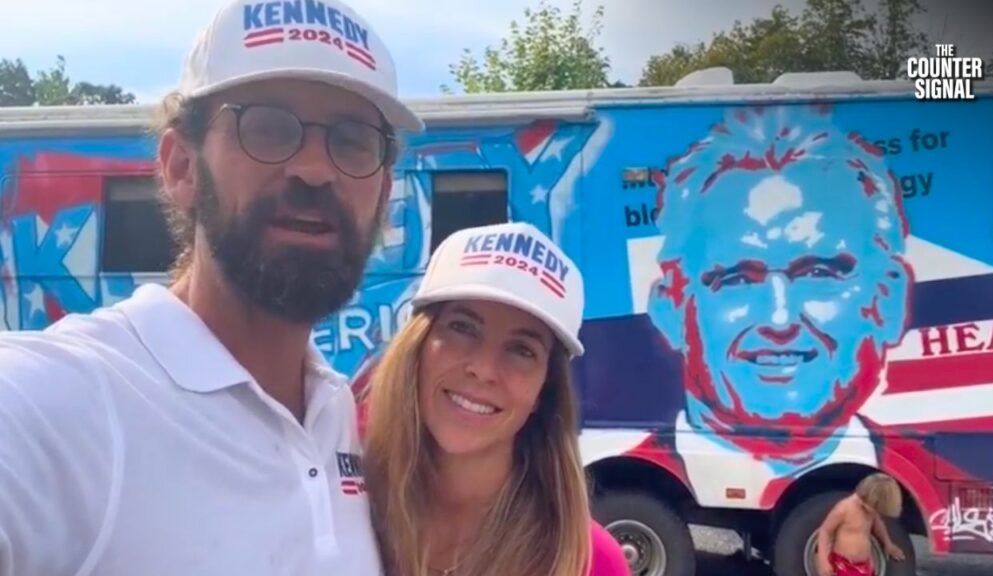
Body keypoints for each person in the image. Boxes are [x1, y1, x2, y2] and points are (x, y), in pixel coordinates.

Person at [0, 0, 423, 574]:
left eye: (353, 140)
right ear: (180, 168)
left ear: (382, 188)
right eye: (268, 127)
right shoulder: (63, 402)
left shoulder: (334, 411)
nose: (316, 170)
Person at [360, 221, 630, 576]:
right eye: (463, 327)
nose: (484, 369)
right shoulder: (342, 505)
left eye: (521, 349)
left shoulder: (590, 562)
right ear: (418, 346)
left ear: (543, 392)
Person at [815, 473, 907, 576]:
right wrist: (823, 560)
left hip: (865, 565)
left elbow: (878, 525)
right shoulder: (844, 509)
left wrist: (888, 543)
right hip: (843, 565)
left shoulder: (871, 510)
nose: (874, 512)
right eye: (874, 508)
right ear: (865, 499)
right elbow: (825, 531)